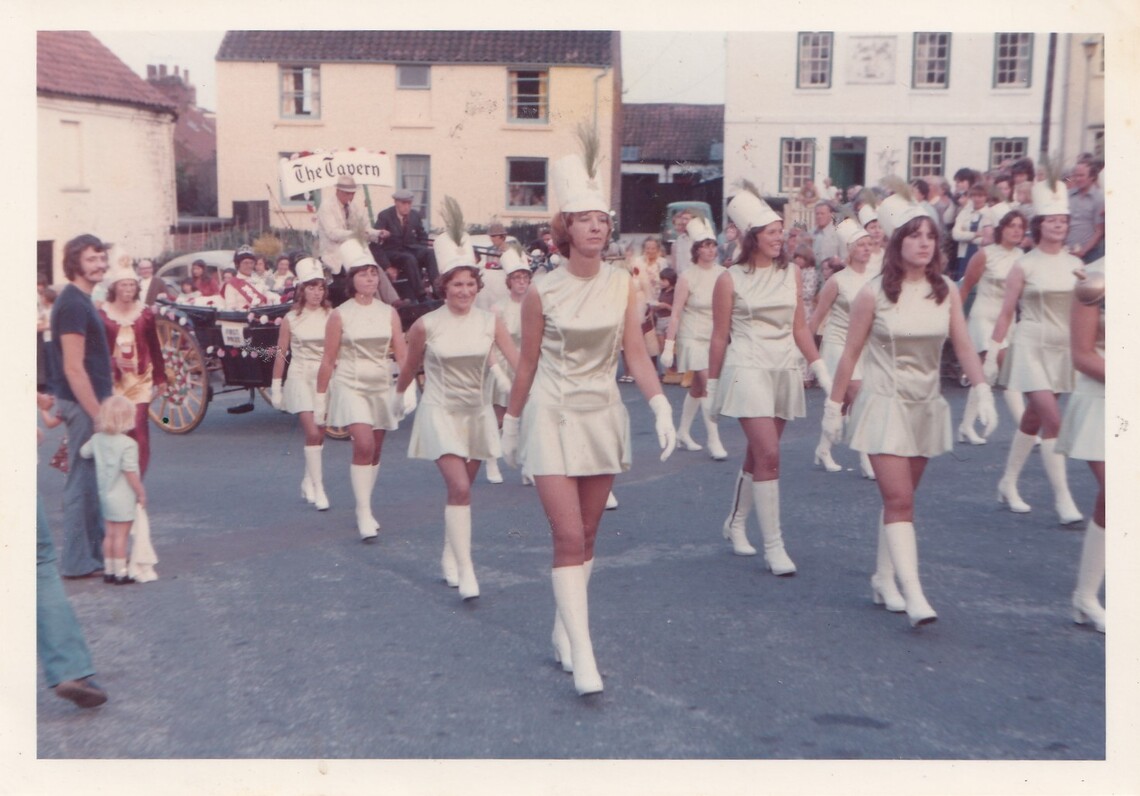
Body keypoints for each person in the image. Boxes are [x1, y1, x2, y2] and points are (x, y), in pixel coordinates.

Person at [500, 141, 676, 696]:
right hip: (550, 414)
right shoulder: (542, 291)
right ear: (566, 229)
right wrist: (510, 421)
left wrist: (660, 404)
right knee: (568, 534)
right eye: (585, 220)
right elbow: (526, 362)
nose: (597, 228)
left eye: (603, 220)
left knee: (592, 532)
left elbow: (636, 352)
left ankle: (563, 626)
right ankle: (584, 649)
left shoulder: (623, 284)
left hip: (600, 413)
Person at [822, 197, 995, 627]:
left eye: (930, 236)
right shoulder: (872, 294)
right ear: (898, 242)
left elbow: (964, 344)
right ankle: (915, 594)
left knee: (901, 500)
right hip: (883, 403)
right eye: (914, 235)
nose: (923, 243)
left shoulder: (947, 290)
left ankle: (883, 578)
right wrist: (832, 405)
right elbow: (849, 355)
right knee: (899, 500)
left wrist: (982, 390)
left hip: (925, 405)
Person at [395, 199, 519, 600]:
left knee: (462, 491)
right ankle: (467, 570)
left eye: (470, 284)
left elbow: (518, 364)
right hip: (440, 411)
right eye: (456, 284)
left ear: (477, 287)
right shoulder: (425, 325)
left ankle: (451, 553)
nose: (464, 291)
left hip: (478, 413)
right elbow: (410, 367)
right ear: (443, 286)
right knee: (460, 489)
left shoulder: (490, 322)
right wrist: (400, 397)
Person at [709, 188, 831, 565]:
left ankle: (736, 521)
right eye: (772, 232)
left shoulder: (792, 273)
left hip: (782, 367)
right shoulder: (729, 279)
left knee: (760, 453)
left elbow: (799, 328)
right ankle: (775, 546)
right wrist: (712, 388)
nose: (781, 237)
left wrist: (823, 372)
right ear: (752, 238)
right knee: (770, 453)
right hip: (746, 366)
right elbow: (719, 336)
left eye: (781, 231)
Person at [986, 177, 1084, 526]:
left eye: (1064, 220)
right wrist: (990, 356)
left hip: (1062, 348)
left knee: (1034, 418)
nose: (1059, 225)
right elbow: (1006, 313)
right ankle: (1063, 499)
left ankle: (1008, 482)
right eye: (1052, 220)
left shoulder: (1076, 264)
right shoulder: (1024, 265)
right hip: (1029, 345)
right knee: (1054, 420)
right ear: (1039, 224)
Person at [315, 240, 409, 540]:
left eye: (373, 273)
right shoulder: (339, 315)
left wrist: (406, 389)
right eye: (363, 274)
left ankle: (366, 503)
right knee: (364, 445)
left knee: (377, 449)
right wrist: (320, 399)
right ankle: (363, 510)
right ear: (351, 280)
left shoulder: (389, 313)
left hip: (381, 385)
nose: (369, 278)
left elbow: (402, 354)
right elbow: (328, 360)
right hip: (351, 385)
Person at [48, 234, 115, 578]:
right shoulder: (74, 302)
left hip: (88, 401)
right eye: (91, 259)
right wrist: (97, 413)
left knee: (91, 481)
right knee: (81, 481)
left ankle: (94, 555)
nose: (100, 264)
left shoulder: (82, 299)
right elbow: (74, 368)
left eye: (102, 258)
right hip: (83, 404)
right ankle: (76, 560)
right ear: (76, 263)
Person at [808, 218, 878, 477]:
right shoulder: (836, 281)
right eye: (861, 245)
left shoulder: (875, 279)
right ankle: (866, 458)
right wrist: (805, 357)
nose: (866, 249)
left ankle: (823, 449)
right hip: (838, 346)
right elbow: (814, 321)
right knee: (858, 398)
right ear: (849, 250)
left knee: (844, 405)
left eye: (869, 244)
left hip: (864, 347)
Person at [1057, 261, 1105, 632]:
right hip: (1104, 399)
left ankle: (1084, 596)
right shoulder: (1094, 278)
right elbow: (1082, 354)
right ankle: (1087, 598)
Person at [957, 209, 1030, 443]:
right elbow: (966, 286)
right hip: (983, 317)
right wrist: (956, 320)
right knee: (1004, 367)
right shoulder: (985, 254)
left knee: (985, 374)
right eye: (1012, 225)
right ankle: (1025, 428)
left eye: (1021, 226)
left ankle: (966, 426)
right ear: (1002, 229)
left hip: (1008, 321)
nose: (1017, 230)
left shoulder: (1023, 256)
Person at [661, 216, 727, 460]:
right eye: (705, 245)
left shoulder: (723, 274)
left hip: (714, 336)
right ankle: (714, 440)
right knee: (707, 383)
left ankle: (682, 433)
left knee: (699, 387)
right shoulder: (687, 276)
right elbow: (676, 313)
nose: (710, 250)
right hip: (692, 335)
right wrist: (669, 346)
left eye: (712, 245)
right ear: (696, 250)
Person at [271, 258, 333, 511]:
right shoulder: (290, 318)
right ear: (302, 290)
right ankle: (319, 488)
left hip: (324, 379)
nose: (317, 293)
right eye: (311, 287)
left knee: (321, 433)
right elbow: (281, 354)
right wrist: (276, 387)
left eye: (320, 288)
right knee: (311, 432)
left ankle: (308, 479)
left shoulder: (332, 315)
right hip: (299, 376)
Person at [97, 264, 166, 478]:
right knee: (116, 429)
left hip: (140, 377)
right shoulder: (103, 315)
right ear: (115, 288)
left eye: (132, 284)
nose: (128, 288)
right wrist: (111, 362)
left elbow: (155, 346)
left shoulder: (144, 313)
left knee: (139, 429)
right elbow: (96, 349)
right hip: (113, 380)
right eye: (123, 284)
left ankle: (137, 479)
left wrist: (160, 377)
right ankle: (117, 476)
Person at [79, 395, 147, 585]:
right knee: (121, 536)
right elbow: (130, 471)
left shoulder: (97, 439)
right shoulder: (128, 444)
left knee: (109, 534)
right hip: (123, 496)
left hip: (105, 495)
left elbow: (84, 453)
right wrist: (141, 492)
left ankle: (109, 570)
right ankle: (121, 572)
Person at [486, 244, 532, 485]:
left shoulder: (535, 305)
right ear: (509, 282)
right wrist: (496, 371)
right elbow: (491, 341)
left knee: (530, 418)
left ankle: (527, 466)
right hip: (504, 366)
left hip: (529, 366)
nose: (521, 282)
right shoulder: (499, 308)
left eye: (525, 278)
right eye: (517, 278)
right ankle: (492, 462)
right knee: (501, 419)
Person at [317, 175, 397, 306]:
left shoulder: (352, 207)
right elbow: (333, 233)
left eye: (352, 194)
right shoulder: (326, 207)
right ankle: (376, 303)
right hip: (335, 254)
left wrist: (378, 233)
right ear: (338, 191)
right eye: (348, 194)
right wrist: (356, 234)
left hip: (353, 252)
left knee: (374, 268)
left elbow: (364, 228)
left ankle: (394, 300)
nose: (351, 197)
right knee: (365, 272)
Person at [374, 188, 440, 302]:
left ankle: (438, 291)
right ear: (396, 202)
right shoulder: (385, 216)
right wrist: (387, 266)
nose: (407, 206)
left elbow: (422, 236)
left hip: (410, 249)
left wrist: (423, 249)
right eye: (403, 203)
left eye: (409, 203)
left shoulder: (415, 215)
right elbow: (375, 243)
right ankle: (421, 295)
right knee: (409, 258)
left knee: (429, 253)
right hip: (392, 252)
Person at [1065, 161, 1105, 264]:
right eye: (1075, 175)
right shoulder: (1068, 195)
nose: (1077, 179)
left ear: (1091, 177)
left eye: (1081, 175)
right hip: (1066, 252)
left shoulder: (1099, 197)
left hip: (1089, 255)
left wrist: (1083, 251)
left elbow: (1099, 231)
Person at [222, 247, 280, 311]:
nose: (249, 266)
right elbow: (231, 308)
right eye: (245, 263)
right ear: (238, 264)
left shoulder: (259, 280)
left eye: (251, 262)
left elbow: (269, 299)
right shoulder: (231, 285)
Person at [951, 184, 989, 281]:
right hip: (963, 254)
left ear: (985, 197)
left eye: (980, 196)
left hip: (981, 254)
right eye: (974, 196)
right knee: (962, 281)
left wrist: (966, 238)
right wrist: (975, 235)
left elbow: (987, 239)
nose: (977, 199)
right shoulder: (964, 213)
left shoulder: (990, 214)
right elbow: (956, 234)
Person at [810, 201, 843, 279]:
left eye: (822, 213)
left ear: (831, 215)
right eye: (817, 214)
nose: (819, 216)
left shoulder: (838, 235)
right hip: (812, 279)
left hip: (831, 279)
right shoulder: (810, 234)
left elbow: (844, 259)